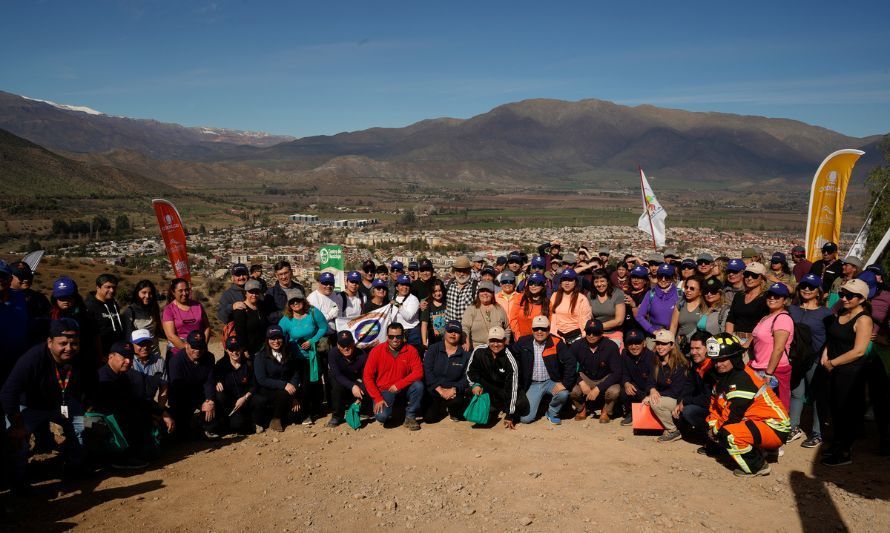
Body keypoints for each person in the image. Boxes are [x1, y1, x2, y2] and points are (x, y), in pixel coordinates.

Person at [1, 319, 88, 491]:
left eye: (74, 343)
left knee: (84, 425)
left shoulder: (80, 357)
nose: (69, 348)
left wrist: (88, 412)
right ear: (50, 342)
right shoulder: (32, 359)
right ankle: (17, 483)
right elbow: (8, 392)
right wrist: (17, 424)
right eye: (63, 343)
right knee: (16, 440)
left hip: (62, 402)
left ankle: (75, 466)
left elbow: (91, 384)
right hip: (30, 407)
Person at [705, 332, 790, 477]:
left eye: (723, 359)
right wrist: (711, 426)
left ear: (734, 357)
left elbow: (732, 415)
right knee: (717, 428)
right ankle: (759, 450)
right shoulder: (724, 377)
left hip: (774, 426)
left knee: (729, 434)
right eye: (715, 360)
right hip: (756, 421)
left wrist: (715, 431)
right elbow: (715, 407)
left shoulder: (742, 378)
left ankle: (757, 466)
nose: (718, 364)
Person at [819, 279, 873, 466]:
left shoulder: (864, 320)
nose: (844, 298)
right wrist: (826, 354)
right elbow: (833, 338)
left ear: (861, 298)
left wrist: (833, 362)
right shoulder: (841, 312)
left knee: (846, 411)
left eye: (849, 295)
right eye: (842, 294)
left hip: (849, 372)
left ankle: (844, 451)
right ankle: (837, 443)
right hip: (832, 368)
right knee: (835, 408)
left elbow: (859, 350)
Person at [94, 341, 155, 469]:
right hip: (94, 419)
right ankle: (119, 458)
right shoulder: (101, 378)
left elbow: (138, 399)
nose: (128, 361)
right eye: (123, 357)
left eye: (131, 357)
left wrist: (162, 412)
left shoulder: (124, 376)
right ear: (111, 357)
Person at [787, 273, 831, 449]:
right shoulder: (792, 309)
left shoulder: (826, 313)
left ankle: (817, 433)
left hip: (815, 359)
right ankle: (793, 427)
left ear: (818, 291)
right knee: (796, 394)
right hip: (796, 359)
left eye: (811, 287)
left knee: (817, 396)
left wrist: (826, 356)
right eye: (803, 285)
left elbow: (831, 337)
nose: (806, 289)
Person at [512, 315, 576, 425]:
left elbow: (571, 362)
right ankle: (539, 407)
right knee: (526, 419)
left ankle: (552, 412)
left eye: (544, 329)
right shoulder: (523, 342)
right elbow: (510, 353)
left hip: (550, 381)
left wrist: (564, 383)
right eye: (536, 329)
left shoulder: (557, 342)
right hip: (532, 384)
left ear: (549, 329)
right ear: (532, 330)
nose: (540, 332)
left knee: (563, 394)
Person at [363, 323, 424, 430]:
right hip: (384, 390)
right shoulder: (376, 351)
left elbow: (418, 372)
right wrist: (377, 398)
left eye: (398, 336)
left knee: (418, 386)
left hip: (403, 388)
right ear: (387, 336)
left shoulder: (411, 350)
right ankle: (396, 410)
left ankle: (410, 416)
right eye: (391, 336)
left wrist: (399, 385)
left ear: (403, 336)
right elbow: (367, 377)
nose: (395, 339)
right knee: (382, 417)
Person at [278, 291, 327, 424]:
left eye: (297, 300)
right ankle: (303, 413)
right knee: (301, 385)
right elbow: (278, 334)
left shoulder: (312, 312)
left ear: (303, 301)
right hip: (295, 357)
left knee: (313, 384)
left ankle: (313, 410)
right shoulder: (287, 319)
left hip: (312, 355)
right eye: (292, 302)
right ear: (289, 305)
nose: (295, 304)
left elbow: (323, 327)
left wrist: (312, 340)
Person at [466, 326, 524, 429]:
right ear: (488, 341)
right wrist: (475, 385)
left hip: (504, 391)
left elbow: (512, 388)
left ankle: (505, 408)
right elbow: (470, 371)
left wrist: (509, 414)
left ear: (505, 341)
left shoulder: (511, 359)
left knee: (523, 405)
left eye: (499, 341)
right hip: (486, 390)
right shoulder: (479, 351)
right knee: (483, 420)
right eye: (492, 341)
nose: (495, 344)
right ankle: (494, 408)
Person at [749, 282, 794, 410]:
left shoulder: (783, 319)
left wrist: (768, 373)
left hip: (773, 371)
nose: (772, 298)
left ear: (785, 300)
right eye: (770, 295)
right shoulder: (766, 317)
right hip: (759, 368)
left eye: (777, 296)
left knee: (771, 410)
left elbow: (779, 348)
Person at [166, 330, 216, 440]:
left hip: (200, 394)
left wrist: (209, 400)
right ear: (187, 345)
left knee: (213, 423)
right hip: (182, 398)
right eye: (194, 347)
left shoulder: (209, 357)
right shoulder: (175, 361)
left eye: (201, 347)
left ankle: (204, 426)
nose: (197, 351)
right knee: (181, 435)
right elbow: (177, 389)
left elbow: (209, 381)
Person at [569, 319, 621, 422]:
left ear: (602, 333)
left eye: (595, 333)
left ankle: (606, 410)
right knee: (572, 389)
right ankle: (581, 408)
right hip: (585, 376)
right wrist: (581, 382)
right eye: (588, 332)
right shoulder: (576, 345)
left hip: (605, 376)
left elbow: (617, 373)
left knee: (614, 391)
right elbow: (569, 368)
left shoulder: (611, 346)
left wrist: (598, 388)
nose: (591, 335)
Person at [642, 329, 689, 442]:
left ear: (672, 345)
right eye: (658, 343)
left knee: (655, 402)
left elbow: (676, 391)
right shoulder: (656, 360)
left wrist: (655, 395)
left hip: (678, 400)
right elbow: (650, 381)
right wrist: (652, 390)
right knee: (651, 399)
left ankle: (673, 430)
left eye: (664, 343)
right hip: (666, 397)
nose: (660, 347)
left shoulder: (680, 364)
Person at [253, 325, 301, 432]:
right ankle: (276, 419)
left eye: (278, 338)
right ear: (267, 340)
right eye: (272, 338)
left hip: (287, 390)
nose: (276, 341)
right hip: (267, 390)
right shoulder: (260, 356)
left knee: (298, 415)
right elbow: (262, 379)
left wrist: (293, 394)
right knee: (283, 394)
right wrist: (284, 385)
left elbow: (295, 374)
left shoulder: (289, 354)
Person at [423, 320, 472, 422]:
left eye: (456, 332)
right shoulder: (433, 348)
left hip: (453, 392)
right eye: (450, 331)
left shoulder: (465, 354)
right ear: (445, 332)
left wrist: (454, 389)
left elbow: (467, 376)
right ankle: (441, 407)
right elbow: (427, 370)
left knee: (461, 413)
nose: (453, 334)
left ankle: (452, 410)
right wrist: (440, 390)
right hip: (435, 389)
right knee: (429, 419)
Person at [675, 331, 716, 447]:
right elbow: (688, 385)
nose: (693, 352)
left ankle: (712, 439)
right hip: (702, 404)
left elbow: (708, 399)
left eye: (698, 348)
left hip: (716, 410)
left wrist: (686, 401)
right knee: (678, 407)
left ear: (708, 348)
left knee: (689, 411)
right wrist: (681, 401)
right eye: (692, 348)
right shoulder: (697, 365)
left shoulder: (713, 367)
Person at [210, 336, 256, 436]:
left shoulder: (248, 364)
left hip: (245, 399)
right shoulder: (221, 365)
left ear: (241, 349)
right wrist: (217, 381)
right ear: (226, 350)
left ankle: (251, 420)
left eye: (237, 349)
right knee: (237, 424)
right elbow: (212, 379)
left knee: (260, 400)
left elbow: (254, 385)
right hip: (230, 404)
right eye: (231, 349)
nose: (234, 352)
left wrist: (245, 397)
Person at [326, 331, 370, 427]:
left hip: (355, 379)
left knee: (367, 386)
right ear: (338, 345)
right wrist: (352, 386)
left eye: (349, 344)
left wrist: (361, 388)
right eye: (342, 345)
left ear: (353, 343)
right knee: (337, 387)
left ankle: (362, 410)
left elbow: (366, 376)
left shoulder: (362, 355)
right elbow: (337, 375)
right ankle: (337, 416)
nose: (346, 348)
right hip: (339, 378)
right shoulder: (332, 353)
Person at [161, 278, 211, 358]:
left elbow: (207, 327)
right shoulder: (169, 310)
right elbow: (171, 335)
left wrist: (202, 346)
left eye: (187, 290)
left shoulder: (198, 306)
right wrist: (189, 350)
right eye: (180, 291)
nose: (184, 293)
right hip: (178, 353)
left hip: (200, 351)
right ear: (173, 292)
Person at [0, 261, 30, 382]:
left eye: (3, 276)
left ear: (10, 278)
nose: (0, 279)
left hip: (18, 362)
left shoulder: (20, 297)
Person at [725, 262, 769, 344]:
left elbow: (764, 322)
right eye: (747, 274)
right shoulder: (739, 295)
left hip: (756, 341)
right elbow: (731, 318)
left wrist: (748, 343)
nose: (749, 278)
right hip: (735, 339)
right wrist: (728, 339)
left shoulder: (766, 297)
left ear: (762, 278)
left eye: (754, 275)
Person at [619, 329, 656, 426]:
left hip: (649, 390)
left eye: (637, 343)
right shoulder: (625, 354)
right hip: (636, 387)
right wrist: (626, 383)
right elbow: (624, 373)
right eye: (630, 344)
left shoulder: (652, 357)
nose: (634, 347)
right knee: (623, 390)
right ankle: (630, 412)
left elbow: (652, 379)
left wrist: (648, 394)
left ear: (644, 343)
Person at [84, 273, 125, 357]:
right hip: (99, 356)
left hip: (116, 354)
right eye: (108, 287)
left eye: (114, 287)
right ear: (98, 287)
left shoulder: (114, 304)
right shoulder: (89, 307)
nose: (112, 290)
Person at [8, 261, 50, 342]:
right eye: (21, 275)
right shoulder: (4, 298)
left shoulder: (39, 298)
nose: (26, 279)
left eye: (28, 275)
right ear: (10, 277)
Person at [121, 280, 164, 359]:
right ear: (137, 293)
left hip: (155, 354)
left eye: (150, 293)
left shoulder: (154, 308)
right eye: (143, 292)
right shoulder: (130, 312)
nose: (147, 296)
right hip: (139, 357)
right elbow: (128, 338)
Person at [462, 280, 511, 350]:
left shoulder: (499, 309)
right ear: (478, 293)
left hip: (496, 349)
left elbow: (507, 328)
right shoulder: (471, 309)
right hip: (477, 349)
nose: (485, 293)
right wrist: (466, 342)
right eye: (482, 291)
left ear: (492, 294)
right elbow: (465, 327)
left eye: (488, 291)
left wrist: (506, 341)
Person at [549, 269, 592, 345]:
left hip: (576, 337)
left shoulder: (582, 299)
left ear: (575, 282)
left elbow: (585, 322)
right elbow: (552, 318)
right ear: (561, 282)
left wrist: (580, 338)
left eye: (570, 280)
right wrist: (554, 335)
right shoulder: (555, 296)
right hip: (556, 336)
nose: (567, 283)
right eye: (564, 280)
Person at [636, 264, 679, 340]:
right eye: (660, 276)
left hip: (673, 335)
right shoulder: (650, 294)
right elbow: (639, 316)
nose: (663, 279)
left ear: (672, 278)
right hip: (653, 336)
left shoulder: (679, 294)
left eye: (667, 277)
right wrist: (652, 331)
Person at [130, 329, 169, 410]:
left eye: (147, 343)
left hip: (149, 402)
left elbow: (164, 389)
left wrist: (160, 411)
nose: (145, 347)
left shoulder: (159, 361)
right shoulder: (127, 361)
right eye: (140, 344)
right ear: (132, 345)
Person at [588, 269, 626, 349]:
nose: (599, 284)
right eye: (596, 282)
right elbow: (590, 316)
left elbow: (619, 321)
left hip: (614, 333)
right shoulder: (590, 295)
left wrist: (598, 327)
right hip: (595, 334)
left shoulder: (617, 294)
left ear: (607, 281)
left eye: (602, 281)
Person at [232, 278, 270, 356]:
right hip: (250, 351)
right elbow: (240, 333)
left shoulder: (261, 306)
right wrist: (244, 349)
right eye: (251, 292)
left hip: (263, 349)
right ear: (245, 293)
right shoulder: (241, 310)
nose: (254, 295)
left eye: (256, 292)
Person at [509, 272, 549, 340]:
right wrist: (519, 337)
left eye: (537, 283)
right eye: (531, 283)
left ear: (543, 285)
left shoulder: (547, 302)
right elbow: (513, 319)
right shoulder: (520, 298)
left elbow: (548, 324)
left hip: (539, 340)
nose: (533, 286)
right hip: (521, 339)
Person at [670, 276, 703, 353]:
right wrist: (671, 342)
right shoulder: (680, 304)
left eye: (692, 288)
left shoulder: (704, 306)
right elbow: (673, 326)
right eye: (686, 287)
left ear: (700, 292)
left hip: (697, 348)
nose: (688, 290)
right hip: (680, 346)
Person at [392, 274, 422, 353]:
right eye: (402, 285)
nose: (405, 287)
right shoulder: (394, 298)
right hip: (398, 333)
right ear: (397, 287)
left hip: (412, 333)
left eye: (407, 285)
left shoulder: (413, 299)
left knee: (413, 357)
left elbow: (408, 317)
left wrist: (397, 305)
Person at [445, 256, 477, 323]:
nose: (461, 274)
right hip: (451, 329)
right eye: (459, 271)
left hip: (467, 329)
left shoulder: (476, 286)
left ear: (469, 271)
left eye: (464, 271)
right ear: (455, 271)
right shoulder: (449, 284)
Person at [421, 279, 448, 348]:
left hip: (447, 339)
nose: (438, 294)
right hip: (433, 340)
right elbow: (424, 324)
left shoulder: (447, 303)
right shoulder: (427, 305)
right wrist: (424, 342)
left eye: (440, 290)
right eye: (435, 291)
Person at [623, 265, 650, 334]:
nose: (636, 280)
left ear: (645, 281)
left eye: (639, 278)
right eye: (634, 277)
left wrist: (633, 305)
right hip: (625, 330)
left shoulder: (649, 294)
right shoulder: (626, 293)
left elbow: (642, 318)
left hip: (640, 331)